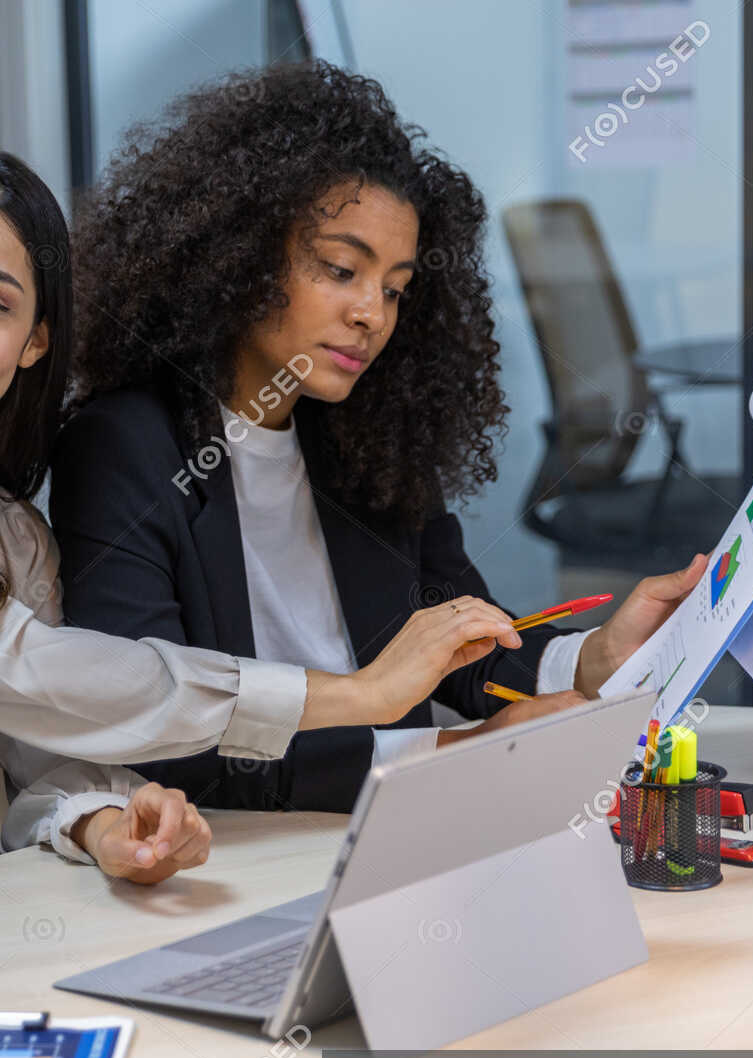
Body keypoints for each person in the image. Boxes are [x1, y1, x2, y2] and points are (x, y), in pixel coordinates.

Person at [0, 146, 527, 918]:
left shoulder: (10, 535)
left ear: (35, 342)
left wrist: (107, 824)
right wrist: (354, 696)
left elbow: (40, 760)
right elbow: (17, 672)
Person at [52, 62, 704, 813]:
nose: (373, 314)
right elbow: (167, 744)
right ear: (237, 255)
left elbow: (458, 654)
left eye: (394, 288)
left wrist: (593, 661)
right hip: (233, 857)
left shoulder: (365, 437)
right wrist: (444, 753)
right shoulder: (123, 449)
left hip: (394, 827)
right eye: (340, 269)